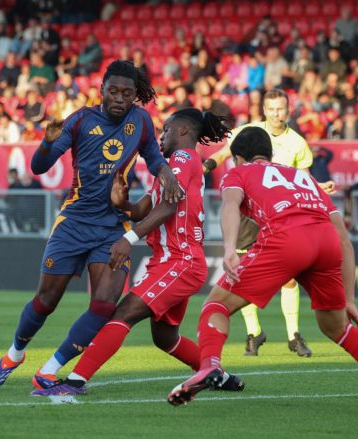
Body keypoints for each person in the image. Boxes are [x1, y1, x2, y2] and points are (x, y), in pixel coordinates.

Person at [167, 127, 358, 414]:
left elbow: (230, 204)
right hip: (326, 242)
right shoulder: (302, 177)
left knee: (216, 304)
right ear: (270, 154)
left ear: (238, 158)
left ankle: (209, 367)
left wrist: (228, 248)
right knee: (337, 327)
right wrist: (349, 299)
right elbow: (344, 240)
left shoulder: (239, 172)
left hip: (287, 239)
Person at [0, 60, 181, 390]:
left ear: (135, 96)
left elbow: (156, 159)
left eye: (127, 93)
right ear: (101, 90)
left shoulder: (141, 121)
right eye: (113, 91)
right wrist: (47, 143)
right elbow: (38, 166)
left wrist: (168, 176)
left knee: (105, 304)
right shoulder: (80, 120)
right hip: (74, 222)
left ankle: (49, 369)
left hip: (112, 228)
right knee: (46, 300)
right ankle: (14, 354)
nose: (120, 98)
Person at [33, 109, 244, 397]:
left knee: (123, 313)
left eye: (166, 130)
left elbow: (169, 206)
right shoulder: (170, 169)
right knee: (165, 338)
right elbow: (146, 208)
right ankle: (216, 374)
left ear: (182, 131)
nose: (161, 136)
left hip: (179, 261)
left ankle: (74, 382)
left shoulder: (183, 158)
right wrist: (124, 205)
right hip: (172, 261)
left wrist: (127, 239)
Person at [203, 89, 334, 357]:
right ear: (264, 110)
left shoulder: (297, 143)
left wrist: (319, 187)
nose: (276, 114)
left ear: (288, 110)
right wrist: (203, 167)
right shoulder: (249, 132)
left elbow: (302, 179)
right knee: (241, 272)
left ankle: (293, 335)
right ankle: (253, 332)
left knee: (289, 280)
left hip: (279, 214)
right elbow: (224, 154)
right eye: (272, 109)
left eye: (281, 109)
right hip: (248, 211)